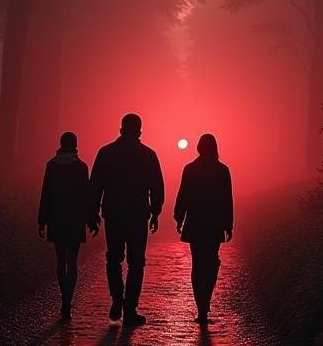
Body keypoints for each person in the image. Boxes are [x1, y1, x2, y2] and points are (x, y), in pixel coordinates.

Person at [89, 113, 164, 326]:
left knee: (113, 259)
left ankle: (116, 300)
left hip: (113, 213)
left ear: (121, 128)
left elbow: (95, 186)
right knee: (136, 262)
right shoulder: (148, 155)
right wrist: (155, 211)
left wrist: (92, 213)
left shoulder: (106, 153)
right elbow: (157, 186)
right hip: (137, 214)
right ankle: (130, 308)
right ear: (139, 130)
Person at [174, 133, 233, 325]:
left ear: (199, 148)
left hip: (196, 222)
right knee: (211, 262)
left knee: (198, 264)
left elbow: (183, 194)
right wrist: (228, 224)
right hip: (214, 224)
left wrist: (179, 216)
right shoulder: (222, 170)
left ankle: (201, 306)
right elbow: (227, 199)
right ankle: (205, 301)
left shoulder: (190, 169)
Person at [38, 132, 96, 320]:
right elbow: (87, 195)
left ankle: (64, 297)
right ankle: (67, 301)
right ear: (75, 145)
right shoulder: (81, 167)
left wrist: (42, 219)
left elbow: (46, 193)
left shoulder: (51, 166)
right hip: (75, 218)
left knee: (60, 260)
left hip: (56, 217)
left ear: (61, 144)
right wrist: (91, 219)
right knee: (72, 261)